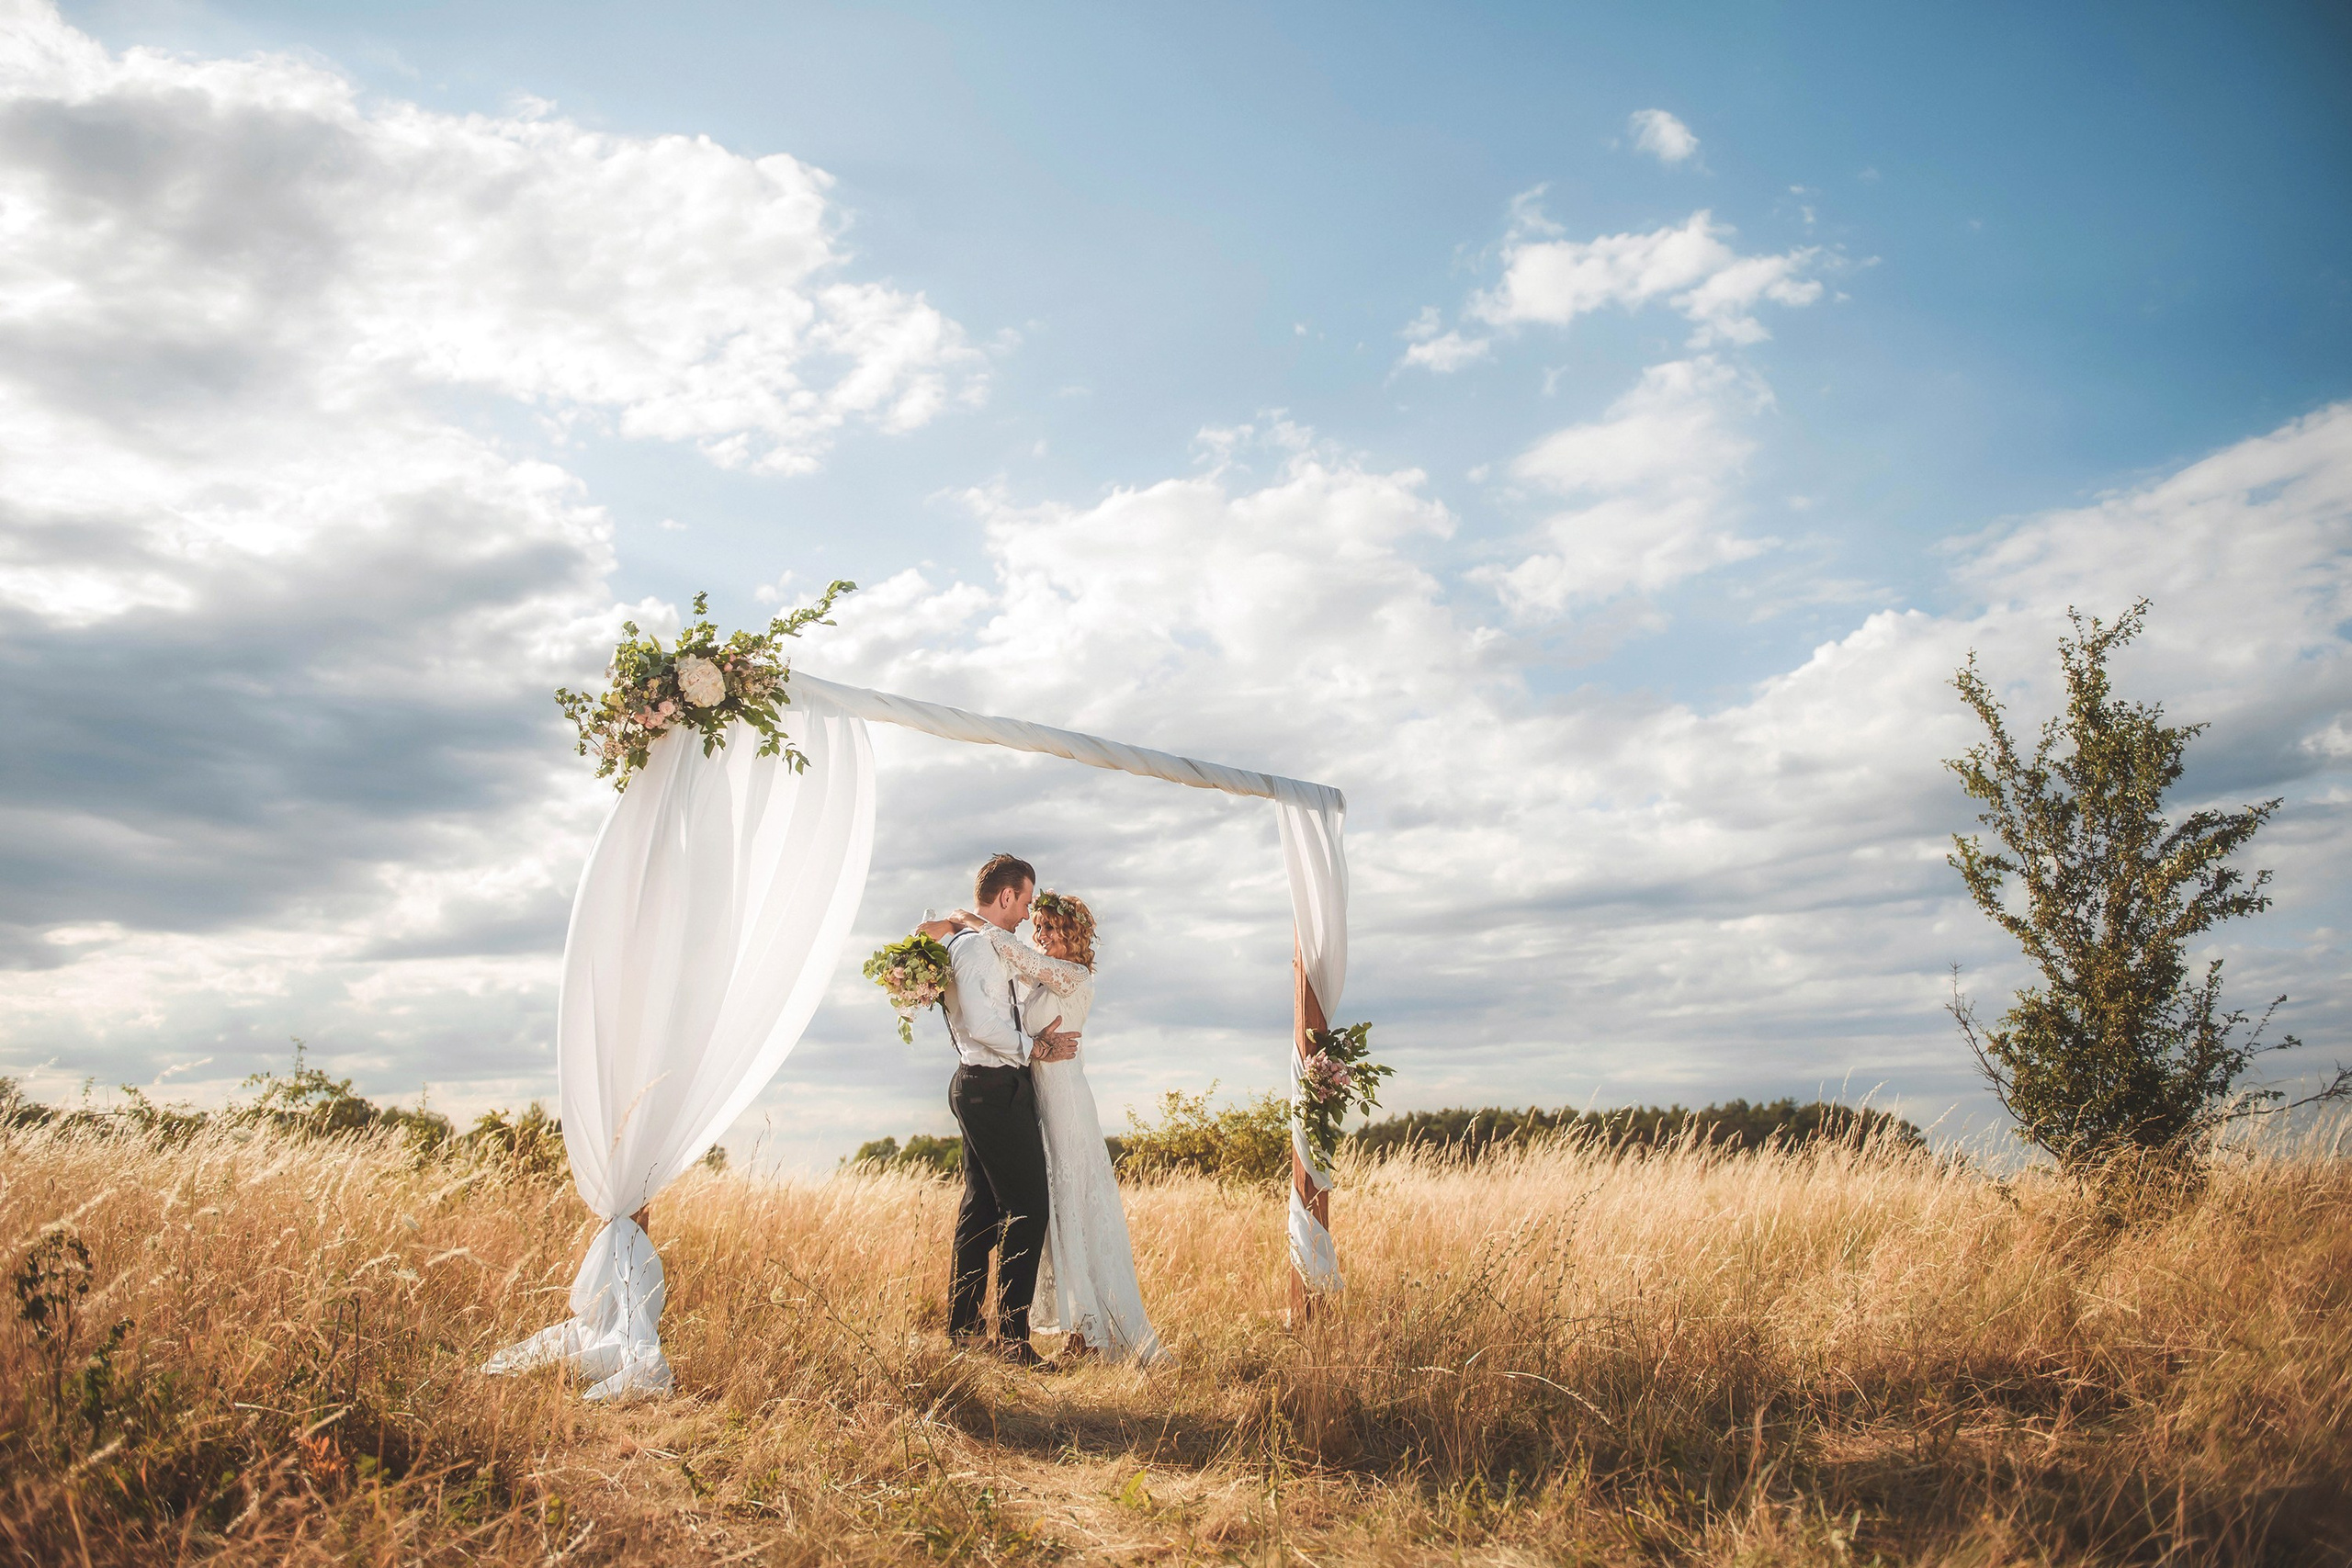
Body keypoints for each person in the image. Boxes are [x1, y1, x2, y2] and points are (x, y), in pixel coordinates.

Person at [956, 890, 1167, 1366]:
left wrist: (970, 920)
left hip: (1066, 1101)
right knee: (1051, 1210)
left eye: (1052, 928)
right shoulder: (1042, 980)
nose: (1041, 934)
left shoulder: (1073, 976)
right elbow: (1010, 983)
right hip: (1039, 1099)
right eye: (1041, 926)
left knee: (1073, 1207)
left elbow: (1014, 953)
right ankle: (1078, 1326)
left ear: (1073, 936)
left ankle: (1094, 1333)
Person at [917, 855, 1078, 1370]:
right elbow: (985, 1024)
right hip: (992, 1084)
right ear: (1006, 896)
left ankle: (963, 1333)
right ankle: (1012, 1340)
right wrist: (1034, 1046)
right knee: (1029, 1208)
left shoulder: (984, 945)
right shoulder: (976, 952)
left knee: (982, 1211)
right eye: (1026, 902)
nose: (1027, 914)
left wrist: (955, 919)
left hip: (986, 1083)